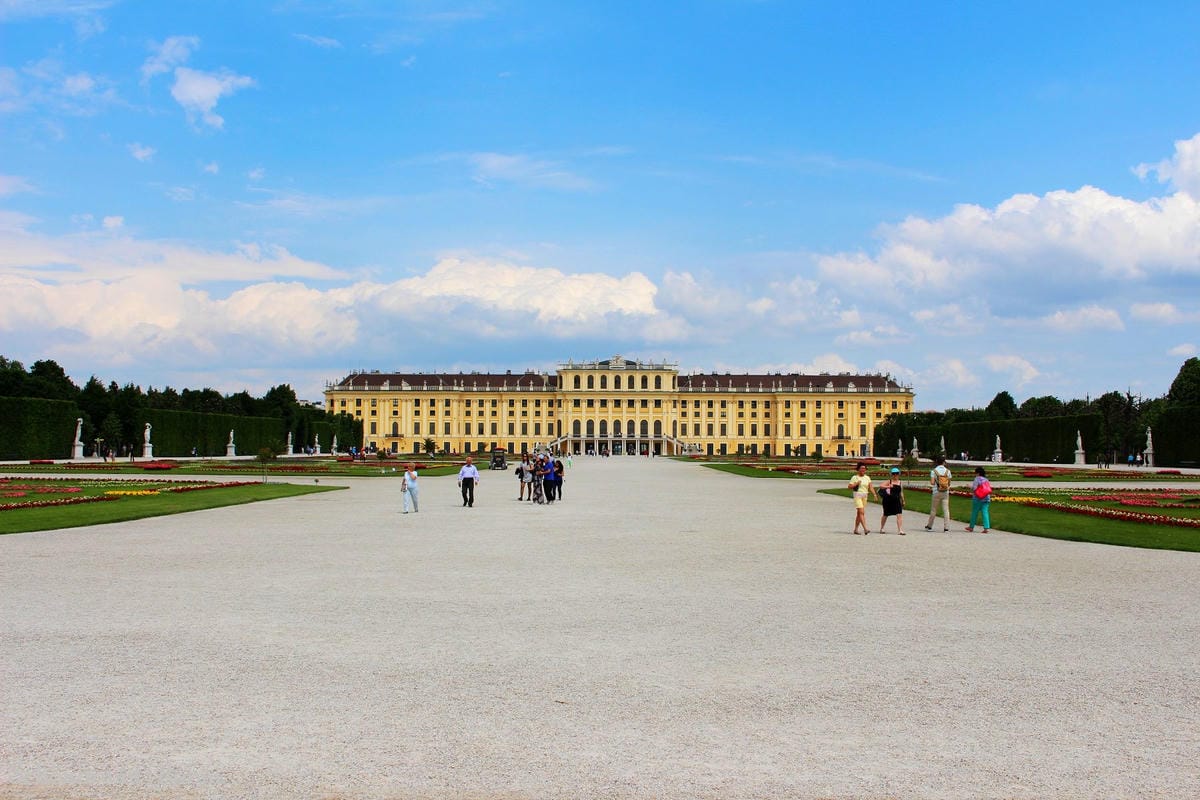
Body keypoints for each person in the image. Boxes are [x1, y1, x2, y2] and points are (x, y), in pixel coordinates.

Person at [924, 456, 952, 531]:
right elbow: (949, 483)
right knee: (946, 510)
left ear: (937, 462)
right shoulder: (948, 471)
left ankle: (929, 525)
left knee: (934, 509)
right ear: (944, 462)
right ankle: (946, 527)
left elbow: (932, 483)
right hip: (945, 492)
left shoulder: (934, 471)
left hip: (936, 492)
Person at [876, 467, 905, 534]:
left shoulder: (900, 483)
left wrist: (903, 500)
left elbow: (901, 492)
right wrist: (888, 486)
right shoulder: (889, 481)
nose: (895, 475)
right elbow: (881, 486)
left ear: (899, 474)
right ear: (891, 474)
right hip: (888, 500)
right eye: (894, 474)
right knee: (885, 514)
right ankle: (882, 528)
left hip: (897, 500)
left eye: (897, 473)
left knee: (899, 514)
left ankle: (900, 530)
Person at [965, 466, 992, 533]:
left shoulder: (977, 479)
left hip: (978, 498)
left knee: (974, 512)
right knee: (985, 512)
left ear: (978, 473)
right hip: (986, 498)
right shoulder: (986, 479)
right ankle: (986, 528)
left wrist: (969, 486)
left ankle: (971, 527)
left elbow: (974, 488)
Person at [848, 462, 872, 535]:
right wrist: (856, 484)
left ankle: (856, 529)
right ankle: (865, 529)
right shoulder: (854, 477)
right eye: (861, 468)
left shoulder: (867, 477)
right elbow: (849, 487)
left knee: (859, 514)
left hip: (865, 495)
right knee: (862, 512)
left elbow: (870, 486)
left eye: (864, 468)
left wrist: (874, 494)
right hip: (857, 495)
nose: (863, 469)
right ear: (858, 469)